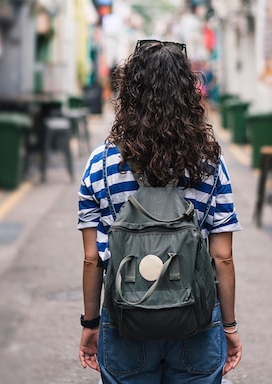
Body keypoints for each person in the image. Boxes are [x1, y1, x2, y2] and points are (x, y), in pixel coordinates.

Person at [77, 39, 242, 383]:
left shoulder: (100, 164)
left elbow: (93, 258)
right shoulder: (209, 163)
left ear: (129, 93)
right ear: (188, 93)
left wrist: (90, 323)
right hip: (196, 320)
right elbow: (222, 257)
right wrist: (228, 326)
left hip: (125, 319)